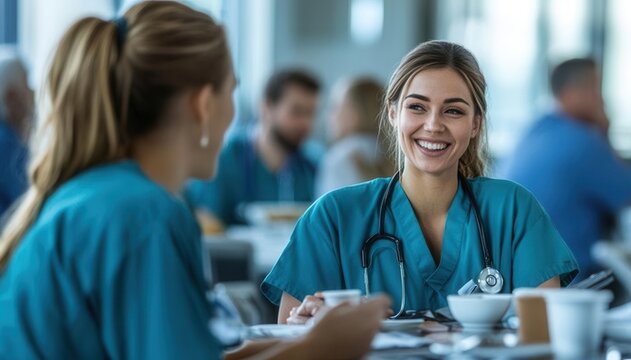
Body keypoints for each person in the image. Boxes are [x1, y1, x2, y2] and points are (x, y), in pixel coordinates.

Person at [0, 2, 387, 359]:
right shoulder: (146, 215)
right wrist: (318, 349)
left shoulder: (101, 194)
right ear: (203, 103)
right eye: (231, 91)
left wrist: (306, 343)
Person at [262, 40, 579, 323]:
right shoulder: (332, 218)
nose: (433, 125)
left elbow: (545, 337)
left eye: (453, 111)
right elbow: (287, 342)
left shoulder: (514, 211)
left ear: (475, 124)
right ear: (392, 113)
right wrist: (309, 330)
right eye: (417, 107)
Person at [501, 58, 631, 279]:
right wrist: (604, 131)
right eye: (595, 89)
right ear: (571, 94)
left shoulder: (534, 130)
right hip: (565, 281)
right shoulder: (583, 141)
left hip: (512, 276)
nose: (602, 99)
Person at [186, 69, 320, 226]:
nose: (306, 123)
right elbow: (205, 221)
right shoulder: (224, 159)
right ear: (266, 108)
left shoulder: (313, 165)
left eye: (311, 114)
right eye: (296, 112)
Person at [315, 77, 393, 197]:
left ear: (354, 114)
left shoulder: (338, 158)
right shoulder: (395, 154)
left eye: (335, 106)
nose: (328, 115)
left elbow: (330, 208)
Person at [0, 47, 33, 217]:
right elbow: (31, 200)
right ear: (11, 97)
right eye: (27, 85)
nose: (33, 93)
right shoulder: (7, 145)